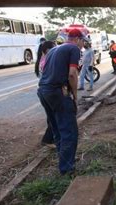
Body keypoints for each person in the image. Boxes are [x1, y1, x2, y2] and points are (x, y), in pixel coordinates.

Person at [37, 29, 85, 175]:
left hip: (43, 91)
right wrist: (75, 96)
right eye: (83, 41)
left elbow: (45, 69)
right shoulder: (73, 49)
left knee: (57, 128)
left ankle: (64, 159)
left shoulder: (54, 49)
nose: (83, 45)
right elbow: (72, 74)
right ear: (77, 39)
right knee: (69, 130)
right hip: (58, 92)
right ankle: (66, 168)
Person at [36, 40, 57, 146]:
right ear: (47, 50)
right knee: (53, 117)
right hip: (47, 91)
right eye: (53, 48)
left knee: (51, 116)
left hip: (43, 90)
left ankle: (51, 138)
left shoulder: (42, 59)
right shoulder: (46, 60)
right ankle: (47, 139)